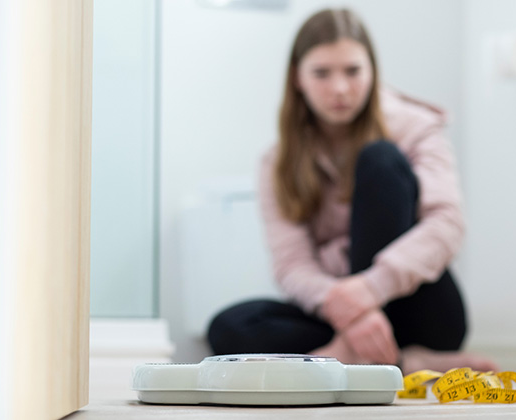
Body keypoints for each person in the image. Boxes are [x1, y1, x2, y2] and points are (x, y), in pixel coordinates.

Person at [207, 8, 497, 374]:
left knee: (381, 159)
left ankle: (337, 359)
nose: (340, 88)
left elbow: (448, 223)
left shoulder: (416, 127)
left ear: (373, 70)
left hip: (417, 309)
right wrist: (344, 308)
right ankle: (400, 362)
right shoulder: (276, 161)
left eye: (353, 71)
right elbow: (291, 264)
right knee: (228, 328)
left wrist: (371, 289)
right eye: (322, 73)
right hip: (339, 312)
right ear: (298, 78)